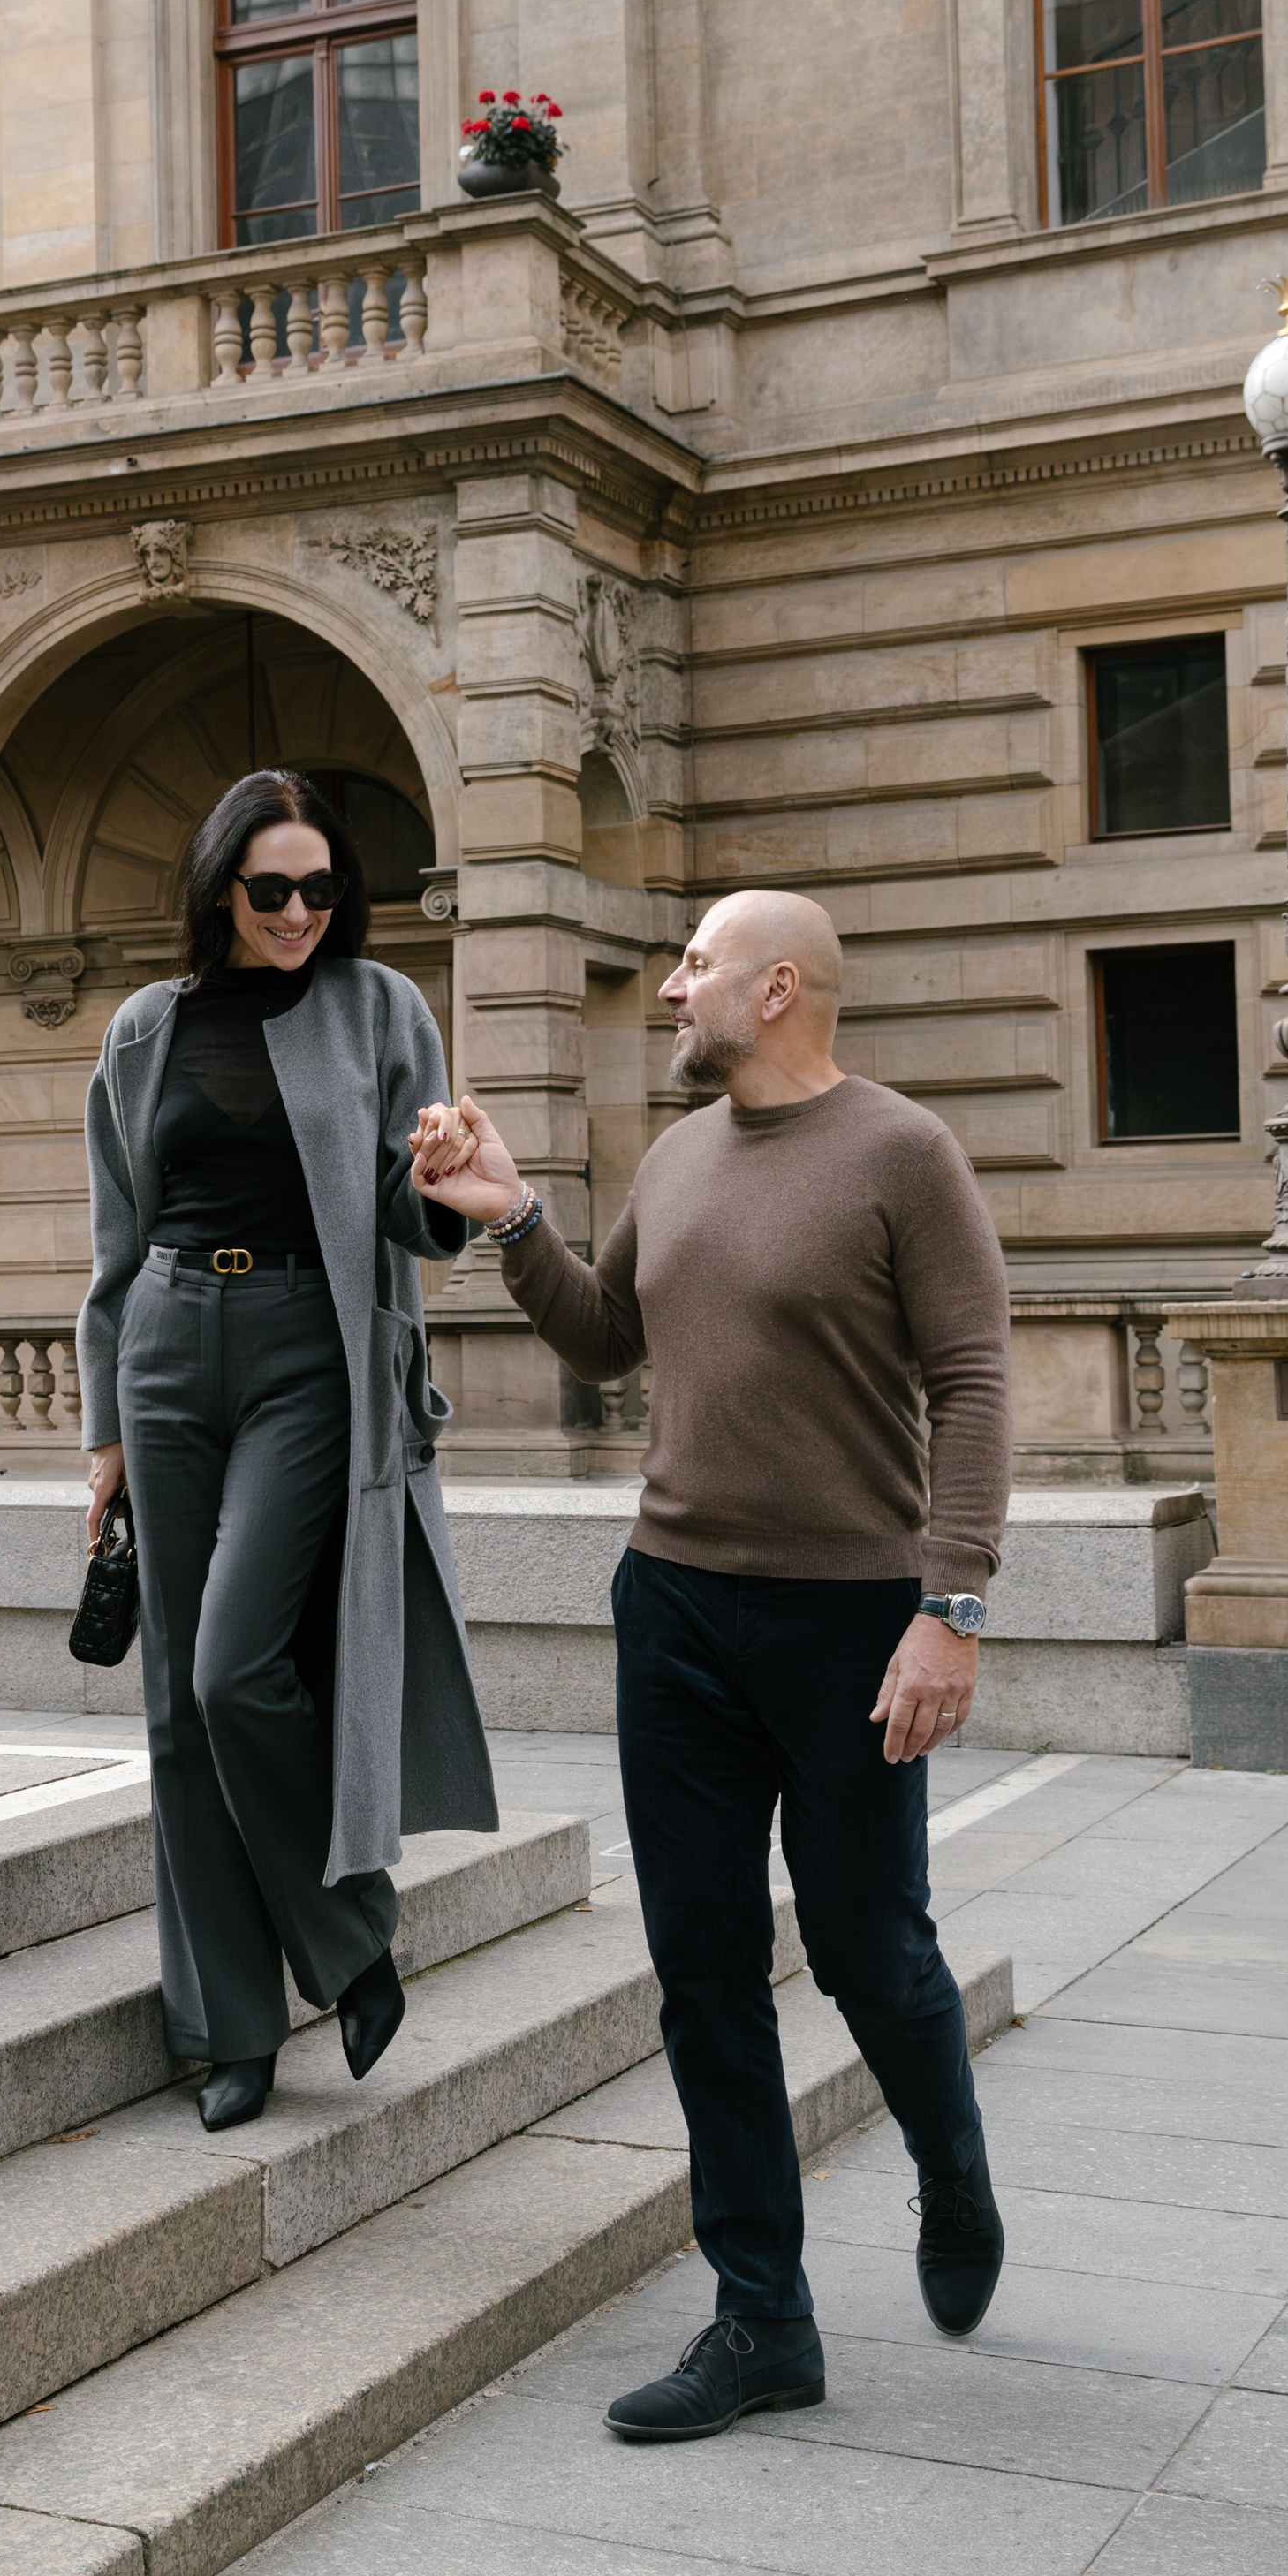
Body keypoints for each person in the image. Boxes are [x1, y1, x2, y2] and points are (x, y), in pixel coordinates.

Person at [410, 887, 1011, 2436]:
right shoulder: (678, 1156)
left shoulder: (902, 1154)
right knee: (703, 1966)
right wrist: (511, 1217)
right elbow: (606, 1335)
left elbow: (972, 1381)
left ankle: (952, 2166)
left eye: (695, 966)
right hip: (674, 1605)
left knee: (871, 1947)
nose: (672, 991)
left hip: (850, 1618)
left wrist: (951, 1607)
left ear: (778, 988)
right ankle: (763, 2319)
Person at [80, 768, 497, 2133]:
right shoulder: (147, 1027)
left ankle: (347, 1937)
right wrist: (103, 1432)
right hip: (164, 1341)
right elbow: (116, 1236)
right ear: (222, 890)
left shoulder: (381, 1009)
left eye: (322, 888)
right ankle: (231, 2030)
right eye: (273, 888)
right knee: (177, 1705)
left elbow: (411, 1212)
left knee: (236, 1668)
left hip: (308, 1351)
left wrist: (444, 1185)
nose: (300, 911)